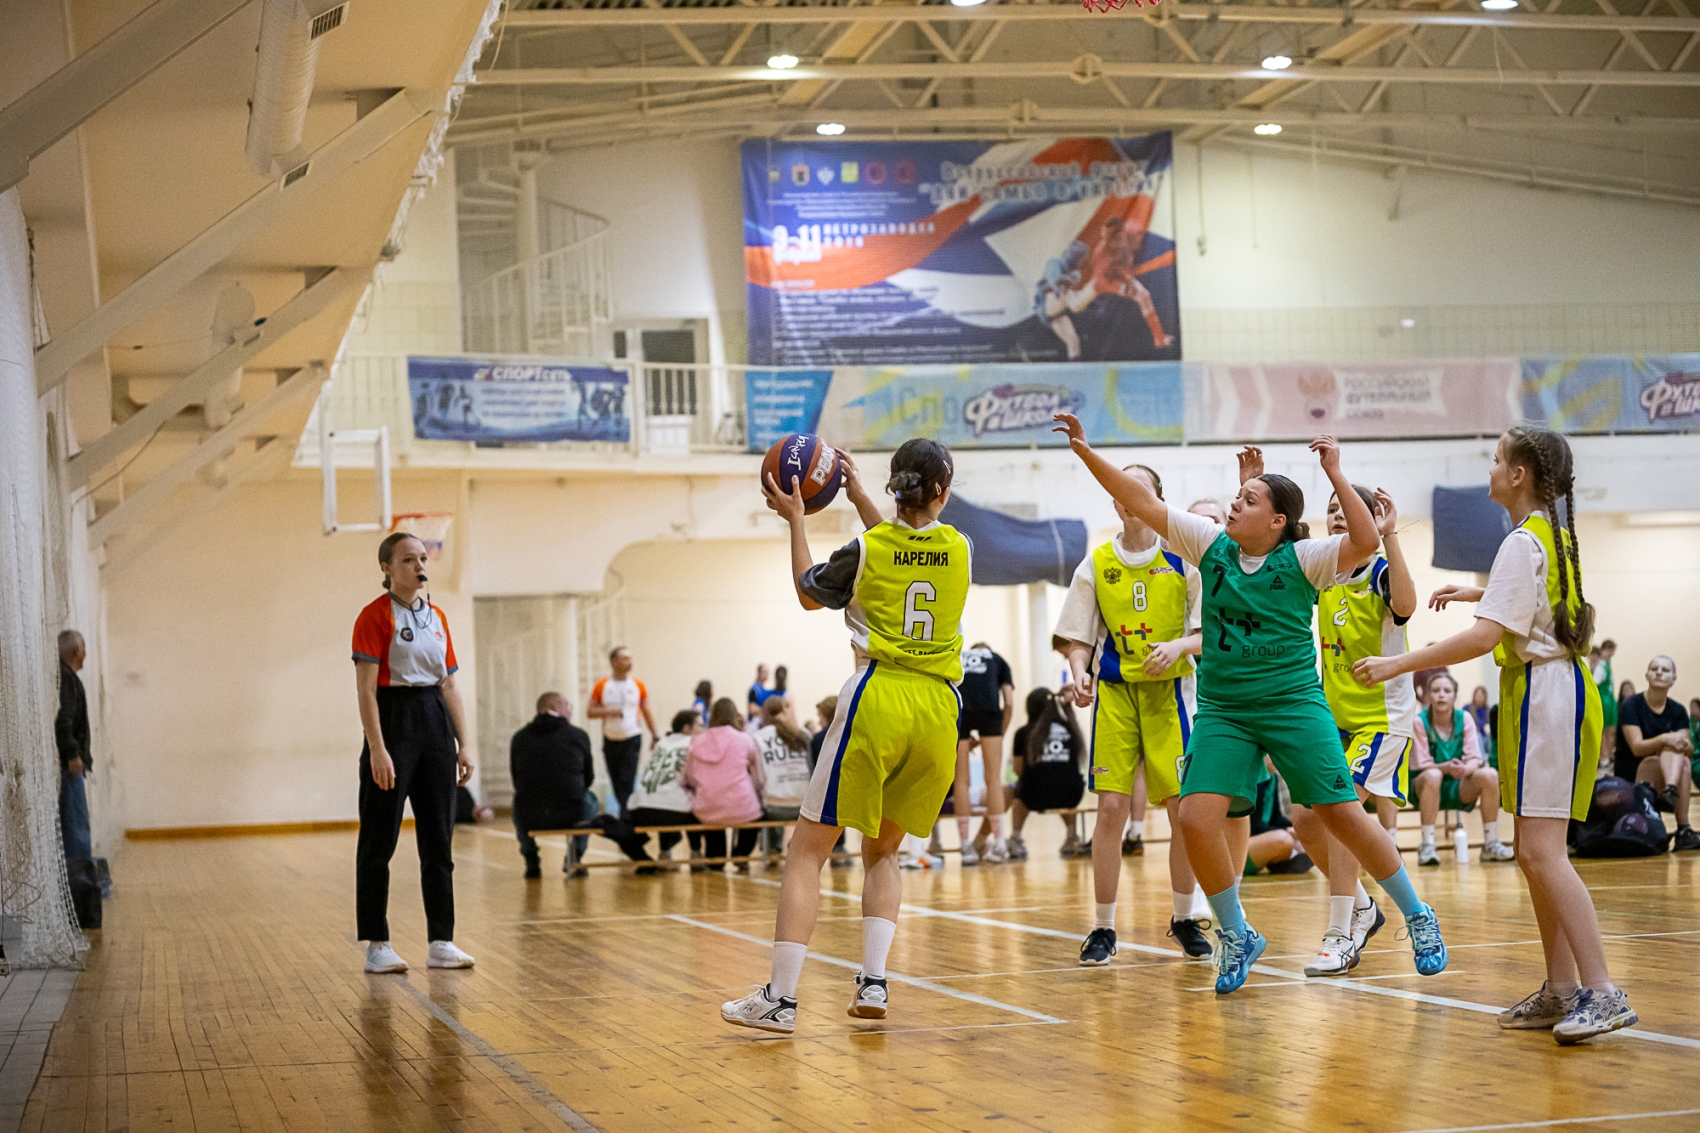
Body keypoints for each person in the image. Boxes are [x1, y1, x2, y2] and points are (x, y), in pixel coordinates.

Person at [1056, 411, 1449, 996]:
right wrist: (1087, 454)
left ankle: (1416, 913)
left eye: (1248, 499)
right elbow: (1140, 500)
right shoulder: (1209, 544)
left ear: (1277, 520)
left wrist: (1335, 472)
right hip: (1225, 710)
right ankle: (1236, 932)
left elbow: (1367, 541)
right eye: (1236, 497)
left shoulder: (1305, 558)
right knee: (1194, 817)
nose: (1234, 505)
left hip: (1292, 704)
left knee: (1342, 814)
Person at [1354, 425, 1634, 1043]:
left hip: (1546, 695)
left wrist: (1399, 664)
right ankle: (1561, 989)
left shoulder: (1522, 541)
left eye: (1497, 459)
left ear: (1519, 475)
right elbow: (1541, 605)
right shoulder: (1548, 534)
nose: (1490, 468)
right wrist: (1482, 594)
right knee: (1535, 855)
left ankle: (1603, 991)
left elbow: (1485, 639)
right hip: (1548, 690)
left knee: (1542, 854)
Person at [721, 440, 968, 1034]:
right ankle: (874, 981)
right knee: (883, 852)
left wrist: (797, 519)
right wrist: (859, 498)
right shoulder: (960, 546)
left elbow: (810, 593)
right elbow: (907, 548)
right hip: (938, 711)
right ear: (942, 491)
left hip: (878, 699)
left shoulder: (865, 550)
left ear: (893, 485)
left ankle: (780, 999)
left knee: (807, 852)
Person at [1054, 460, 1213, 963]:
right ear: (1114, 501)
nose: (1128, 496)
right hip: (1116, 696)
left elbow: (1209, 633)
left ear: (1157, 499)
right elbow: (1077, 638)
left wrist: (1180, 645)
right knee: (1110, 810)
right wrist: (1078, 670)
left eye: (1138, 488)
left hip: (1171, 696)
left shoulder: (1184, 560)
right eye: (1120, 489)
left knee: (1182, 812)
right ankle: (1103, 928)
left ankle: (1184, 918)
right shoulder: (1096, 563)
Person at [1301, 477, 1418, 977]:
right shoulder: (1324, 576)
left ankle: (1339, 933)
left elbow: (1406, 606)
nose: (1337, 514)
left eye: (1346, 507)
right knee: (1305, 821)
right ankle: (1366, 908)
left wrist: (1389, 535)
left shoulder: (1380, 572)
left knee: (1342, 810)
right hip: (1335, 721)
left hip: (1382, 720)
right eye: (1331, 508)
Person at [352, 532, 475, 974]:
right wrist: (378, 749)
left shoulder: (437, 616)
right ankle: (377, 944)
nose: (420, 566)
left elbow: (450, 685)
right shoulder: (373, 615)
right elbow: (366, 691)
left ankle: (442, 940)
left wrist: (464, 743)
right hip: (393, 719)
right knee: (379, 839)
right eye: (408, 559)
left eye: (423, 558)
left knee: (439, 839)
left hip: (435, 723)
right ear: (387, 568)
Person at [510, 692, 653, 877]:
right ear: (558, 707)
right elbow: (588, 778)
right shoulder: (577, 735)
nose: (570, 712)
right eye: (568, 707)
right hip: (570, 813)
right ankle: (575, 856)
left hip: (531, 816)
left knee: (519, 802)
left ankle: (531, 860)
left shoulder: (519, 738)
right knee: (590, 800)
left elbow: (516, 780)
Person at [1411, 673, 1515, 864]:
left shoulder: (1465, 718)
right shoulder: (1419, 721)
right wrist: (1446, 767)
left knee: (1490, 774)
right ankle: (1427, 845)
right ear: (1428, 696)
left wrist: (1464, 770)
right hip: (1424, 786)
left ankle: (1491, 843)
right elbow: (1420, 764)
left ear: (1455, 697)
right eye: (1435, 691)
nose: (1441, 695)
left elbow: (1476, 757)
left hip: (1458, 785)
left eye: (1447, 691)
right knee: (1433, 775)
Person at [1617, 656, 1697, 851]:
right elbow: (1636, 747)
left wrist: (1677, 742)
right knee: (1669, 746)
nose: (1659, 672)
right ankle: (1683, 828)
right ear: (1647, 675)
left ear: (1673, 678)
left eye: (1665, 670)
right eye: (1654, 669)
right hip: (1633, 776)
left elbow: (1688, 749)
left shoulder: (1678, 710)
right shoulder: (1631, 705)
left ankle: (1672, 797)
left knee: (1683, 759)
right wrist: (1665, 739)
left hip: (1667, 773)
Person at [953, 643, 1015, 864]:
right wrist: (999, 733)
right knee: (993, 780)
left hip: (960, 711)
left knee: (961, 781)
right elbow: (1009, 701)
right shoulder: (997, 659)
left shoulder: (959, 656)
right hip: (990, 713)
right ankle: (999, 844)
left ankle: (965, 846)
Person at [686, 698, 766, 867]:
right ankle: (741, 854)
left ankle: (716, 860)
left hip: (708, 806)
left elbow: (691, 777)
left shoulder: (696, 741)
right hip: (742, 805)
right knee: (755, 816)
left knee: (715, 856)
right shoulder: (744, 739)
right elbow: (757, 774)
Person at [1009, 688, 1087, 860]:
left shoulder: (1023, 733)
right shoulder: (1070, 729)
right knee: (1065, 783)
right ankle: (1071, 836)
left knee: (1018, 793)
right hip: (1071, 795)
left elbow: (1018, 770)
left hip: (1035, 796)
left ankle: (1016, 837)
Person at [56, 630, 100, 928]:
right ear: (75, 651)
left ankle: (81, 907)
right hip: (70, 770)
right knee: (77, 836)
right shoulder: (67, 680)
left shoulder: (67, 678)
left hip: (71, 769)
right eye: (83, 648)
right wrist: (73, 754)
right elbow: (64, 719)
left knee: (77, 833)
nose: (86, 654)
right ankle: (82, 910)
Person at [628, 709, 707, 864]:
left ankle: (664, 853)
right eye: (700, 725)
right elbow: (695, 780)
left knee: (666, 795)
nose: (703, 729)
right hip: (670, 812)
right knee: (693, 803)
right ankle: (696, 854)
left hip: (639, 809)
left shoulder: (661, 743)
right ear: (686, 728)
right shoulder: (692, 744)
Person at [586, 646, 659, 816]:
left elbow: (646, 710)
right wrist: (609, 711)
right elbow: (590, 712)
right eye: (625, 658)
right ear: (614, 662)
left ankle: (626, 814)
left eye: (630, 658)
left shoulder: (638, 685)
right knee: (616, 779)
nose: (629, 662)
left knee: (627, 778)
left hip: (632, 737)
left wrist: (655, 735)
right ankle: (624, 811)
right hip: (610, 738)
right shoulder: (602, 685)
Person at [755, 695, 815, 862]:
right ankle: (795, 843)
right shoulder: (803, 733)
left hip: (773, 807)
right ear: (785, 710)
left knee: (763, 798)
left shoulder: (758, 737)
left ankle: (773, 848)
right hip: (805, 806)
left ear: (764, 714)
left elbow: (758, 778)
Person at [1592, 639, 1617, 764]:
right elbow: (1594, 684)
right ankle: (1603, 757)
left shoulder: (1607, 664)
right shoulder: (1601, 667)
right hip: (1603, 700)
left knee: (1611, 729)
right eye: (1610, 650)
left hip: (1610, 700)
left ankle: (1609, 754)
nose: (1612, 653)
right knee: (1603, 729)